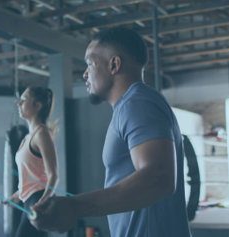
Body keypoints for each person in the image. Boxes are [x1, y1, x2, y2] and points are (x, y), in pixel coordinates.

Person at [31, 27, 191, 237]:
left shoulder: (137, 103)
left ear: (114, 64)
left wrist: (75, 207)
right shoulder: (130, 106)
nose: (85, 73)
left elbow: (159, 178)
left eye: (90, 63)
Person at [6, 86, 59, 237]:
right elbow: (33, 176)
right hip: (28, 201)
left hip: (37, 201)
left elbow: (53, 176)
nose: (19, 104)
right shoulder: (27, 137)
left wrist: (42, 202)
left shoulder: (42, 134)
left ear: (37, 106)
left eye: (23, 100)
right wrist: (17, 195)